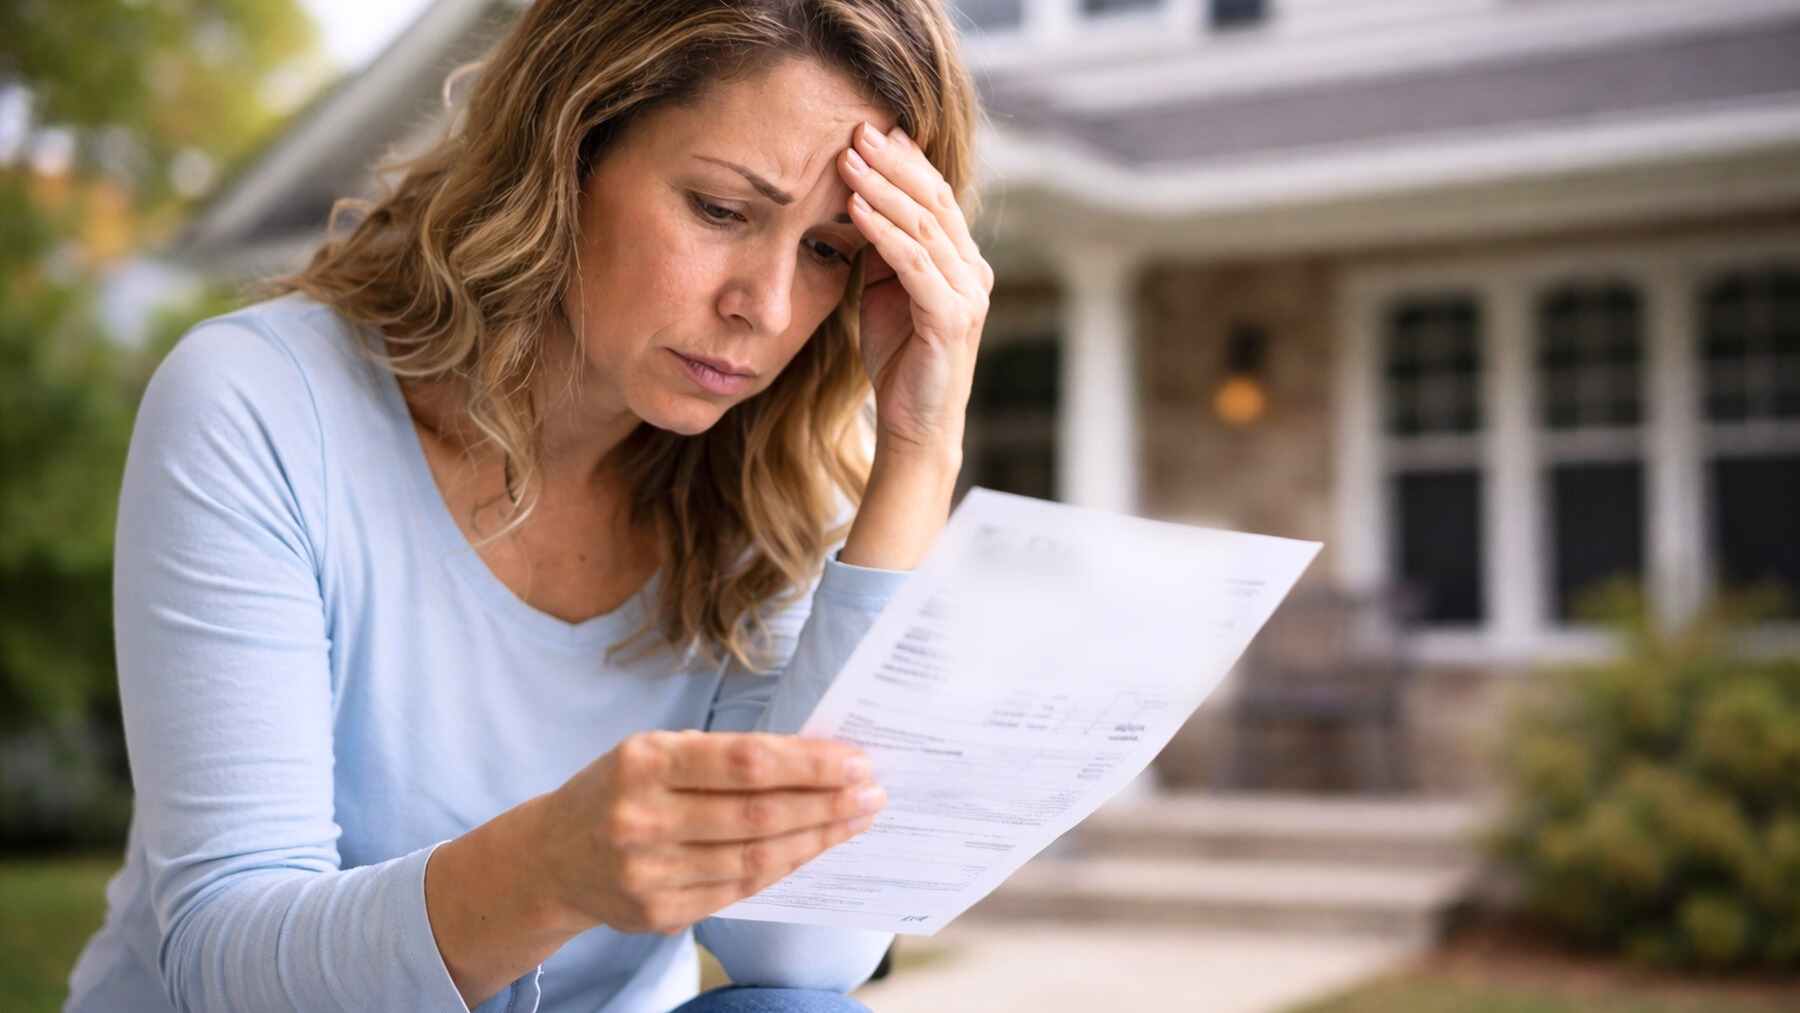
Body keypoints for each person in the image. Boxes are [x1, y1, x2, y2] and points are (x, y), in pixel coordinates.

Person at [64, 1, 990, 1010]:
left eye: (828, 253)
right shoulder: (260, 404)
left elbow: (802, 953)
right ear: (566, 152)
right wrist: (550, 866)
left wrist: (917, 449)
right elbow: (223, 958)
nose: (764, 308)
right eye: (722, 209)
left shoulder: (775, 481)